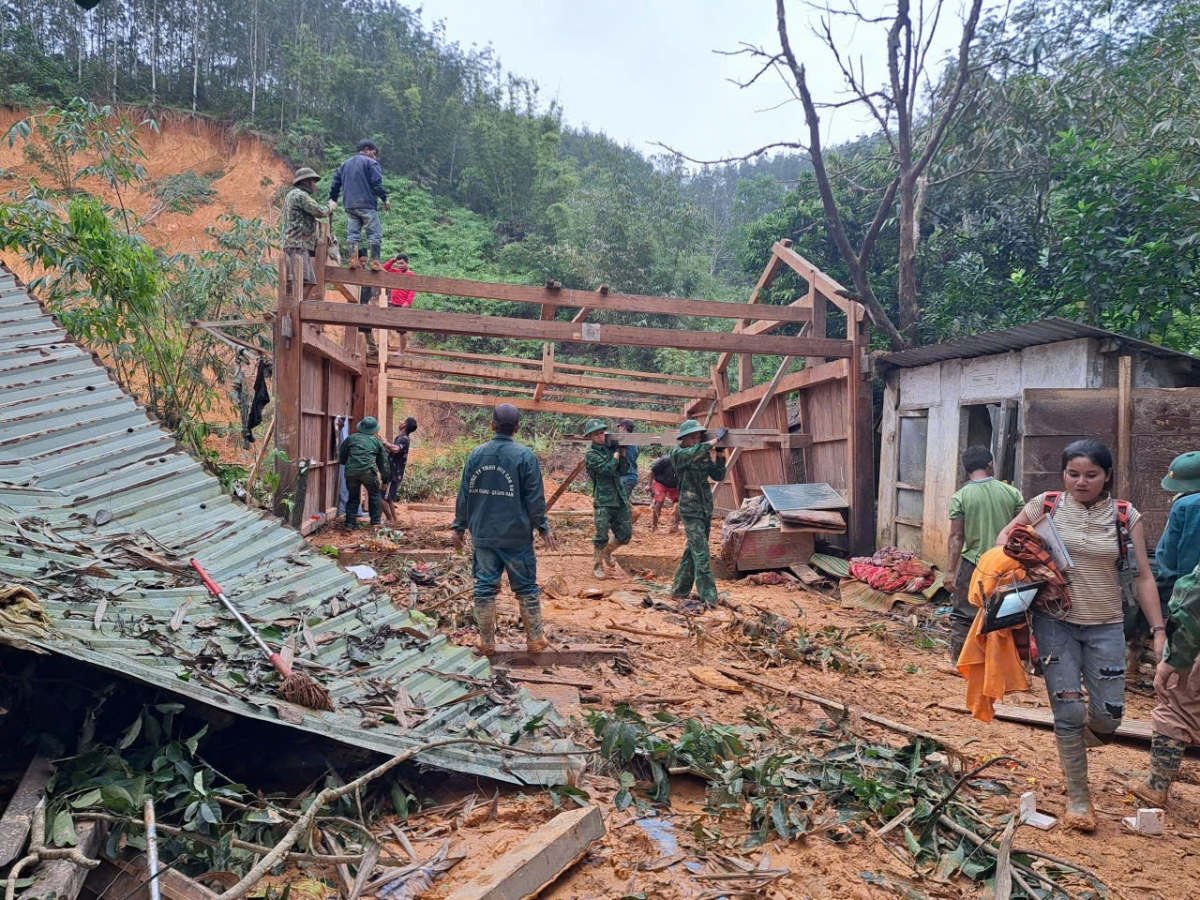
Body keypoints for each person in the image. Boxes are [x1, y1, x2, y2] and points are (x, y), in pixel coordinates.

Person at [995, 439, 1164, 832]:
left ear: (1107, 476)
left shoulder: (1126, 515)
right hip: (1054, 621)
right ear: (1063, 475)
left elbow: (1143, 576)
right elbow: (1005, 539)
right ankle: (1079, 798)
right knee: (1068, 710)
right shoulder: (1045, 506)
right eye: (1073, 474)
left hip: (1106, 624)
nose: (1081, 482)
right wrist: (1031, 560)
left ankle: (1070, 742)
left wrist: (1158, 631)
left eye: (1091, 475)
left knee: (1109, 716)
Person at [451, 404, 557, 655]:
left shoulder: (476, 455)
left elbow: (464, 494)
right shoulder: (525, 456)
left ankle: (486, 643)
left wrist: (458, 528)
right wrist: (543, 528)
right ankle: (534, 639)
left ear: (492, 425)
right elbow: (535, 498)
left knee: (485, 587)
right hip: (517, 537)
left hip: (484, 535)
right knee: (527, 587)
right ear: (517, 428)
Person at [1126, 452, 1200, 807]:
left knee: (1174, 700)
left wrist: (1173, 653)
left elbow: (1181, 579)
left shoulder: (1187, 507)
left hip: (1191, 619)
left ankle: (1156, 786)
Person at [945, 445, 1025, 663]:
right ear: (990, 465)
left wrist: (951, 571)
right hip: (1008, 564)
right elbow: (1021, 532)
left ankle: (961, 660)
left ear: (966, 470)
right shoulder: (1012, 493)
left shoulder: (961, 496)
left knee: (963, 614)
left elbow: (956, 538)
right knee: (1007, 614)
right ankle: (1006, 663)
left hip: (975, 565)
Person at [670, 420, 728, 607]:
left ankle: (679, 590)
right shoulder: (678, 453)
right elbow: (692, 454)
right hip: (689, 508)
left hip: (704, 508)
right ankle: (709, 598)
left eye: (699, 437)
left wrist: (719, 453)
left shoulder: (703, 454)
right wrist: (713, 442)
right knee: (702, 553)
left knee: (693, 551)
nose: (697, 440)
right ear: (684, 438)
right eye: (693, 437)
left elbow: (718, 475)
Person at [329, 140, 390, 271]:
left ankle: (353, 260)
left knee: (352, 233)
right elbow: (376, 183)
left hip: (350, 205)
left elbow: (335, 183)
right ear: (367, 149)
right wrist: (384, 198)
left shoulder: (345, 165)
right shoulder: (371, 163)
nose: (375, 156)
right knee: (374, 234)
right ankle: (375, 262)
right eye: (374, 153)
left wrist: (333, 199)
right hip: (367, 204)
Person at [583, 419, 632, 580]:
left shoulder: (609, 450)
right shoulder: (591, 454)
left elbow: (623, 469)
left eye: (602, 433)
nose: (601, 436)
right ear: (590, 436)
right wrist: (617, 453)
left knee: (625, 534)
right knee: (601, 535)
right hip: (603, 500)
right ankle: (597, 565)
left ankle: (607, 552)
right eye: (596, 434)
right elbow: (608, 469)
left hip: (619, 498)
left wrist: (623, 453)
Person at [281, 167, 329, 300]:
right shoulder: (300, 195)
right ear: (306, 181)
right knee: (305, 280)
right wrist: (331, 206)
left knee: (297, 280)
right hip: (297, 244)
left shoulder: (292, 195)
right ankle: (295, 306)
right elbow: (320, 211)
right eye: (312, 181)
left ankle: (293, 305)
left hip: (294, 244)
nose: (314, 185)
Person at [338, 416, 389, 530]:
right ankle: (375, 522)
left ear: (360, 427)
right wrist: (385, 480)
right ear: (374, 430)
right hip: (368, 473)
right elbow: (383, 463)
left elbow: (342, 457)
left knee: (353, 497)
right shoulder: (377, 442)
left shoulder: (350, 439)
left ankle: (350, 524)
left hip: (351, 473)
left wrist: (349, 462)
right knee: (374, 495)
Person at [381, 417, 418, 524]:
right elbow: (394, 451)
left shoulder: (403, 439)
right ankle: (395, 521)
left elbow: (396, 449)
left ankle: (389, 519)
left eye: (402, 420)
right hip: (395, 473)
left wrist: (385, 442)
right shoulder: (402, 438)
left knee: (380, 497)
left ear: (405, 425)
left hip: (393, 474)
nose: (400, 421)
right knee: (389, 498)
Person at [649, 455, 681, 534]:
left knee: (681, 504)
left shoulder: (685, 462)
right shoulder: (664, 461)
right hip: (660, 483)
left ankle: (675, 526)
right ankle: (654, 527)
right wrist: (649, 485)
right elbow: (652, 472)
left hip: (675, 486)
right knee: (659, 502)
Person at [617, 419, 639, 501]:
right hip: (631, 476)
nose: (618, 430)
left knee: (620, 503)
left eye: (619, 427)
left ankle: (632, 512)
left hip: (627, 476)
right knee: (621, 502)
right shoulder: (635, 442)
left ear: (623, 428)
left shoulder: (625, 438)